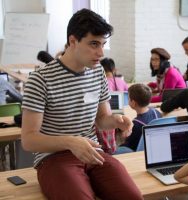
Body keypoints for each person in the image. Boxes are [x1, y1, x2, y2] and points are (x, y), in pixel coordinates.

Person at [21, 9, 142, 200]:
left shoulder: (97, 73)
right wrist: (70, 142)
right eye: (94, 44)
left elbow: (102, 120)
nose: (101, 53)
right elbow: (28, 140)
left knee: (132, 196)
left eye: (103, 44)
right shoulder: (40, 80)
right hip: (54, 158)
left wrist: (117, 121)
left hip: (93, 152)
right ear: (72, 41)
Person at [117, 83, 161, 151]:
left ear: (133, 103)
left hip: (141, 151)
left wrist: (124, 137)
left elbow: (129, 145)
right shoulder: (156, 112)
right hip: (156, 146)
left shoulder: (136, 124)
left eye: (128, 98)